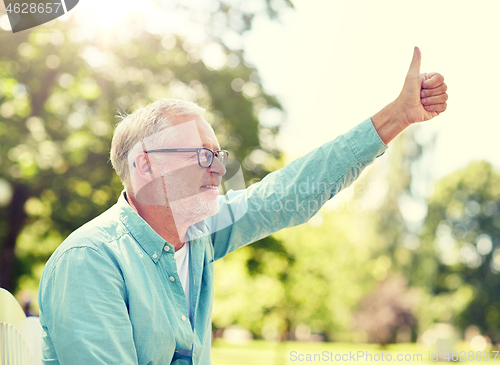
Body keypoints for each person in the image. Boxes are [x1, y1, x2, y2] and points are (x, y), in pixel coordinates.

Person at [38, 47, 447, 364]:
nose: (218, 172)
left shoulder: (198, 235)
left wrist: (397, 117)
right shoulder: (89, 260)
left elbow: (288, 194)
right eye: (202, 156)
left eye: (219, 157)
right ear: (145, 164)